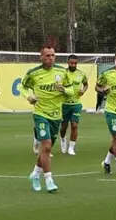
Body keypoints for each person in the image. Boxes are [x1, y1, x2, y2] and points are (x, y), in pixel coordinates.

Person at [21, 45, 77, 192]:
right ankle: (49, 180)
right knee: (45, 146)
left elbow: (72, 91)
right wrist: (29, 96)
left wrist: (64, 90)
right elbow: (22, 87)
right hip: (40, 114)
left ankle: (35, 174)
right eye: (47, 55)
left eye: (52, 55)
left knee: (46, 149)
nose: (50, 58)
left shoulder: (62, 72)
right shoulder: (33, 73)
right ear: (41, 57)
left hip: (56, 115)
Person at [59, 55, 89, 155]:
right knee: (63, 127)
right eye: (71, 63)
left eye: (75, 63)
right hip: (64, 104)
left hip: (76, 104)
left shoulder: (81, 74)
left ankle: (71, 147)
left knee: (74, 125)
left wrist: (83, 91)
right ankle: (63, 139)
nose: (73, 65)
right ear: (68, 62)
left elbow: (86, 84)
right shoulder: (63, 73)